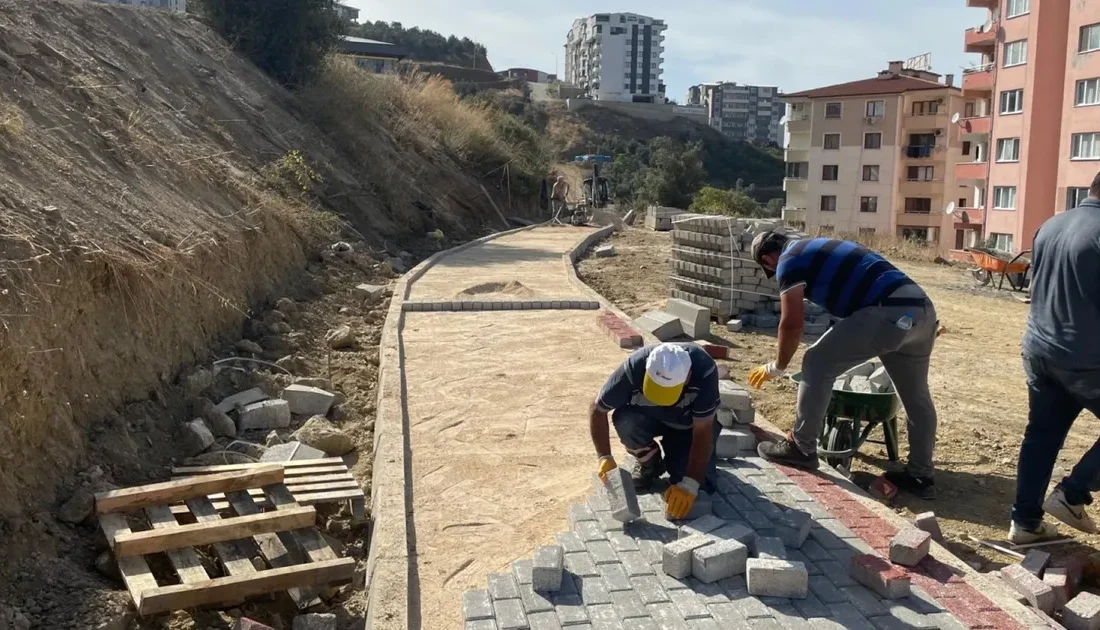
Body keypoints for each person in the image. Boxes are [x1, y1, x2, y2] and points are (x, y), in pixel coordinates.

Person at [747, 231, 941, 499]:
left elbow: (792, 324)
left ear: (768, 259)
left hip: (889, 312)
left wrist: (777, 366)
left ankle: (802, 448)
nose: (774, 272)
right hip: (923, 313)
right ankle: (921, 476)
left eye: (769, 268)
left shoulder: (788, 261)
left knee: (816, 362)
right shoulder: (818, 247)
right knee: (916, 398)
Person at [1010, 171, 1100, 543]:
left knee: (1042, 435)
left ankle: (1024, 523)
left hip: (1041, 351)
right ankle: (1073, 493)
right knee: (1043, 434)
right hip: (1085, 359)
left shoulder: (1051, 225)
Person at [590, 343, 722, 519]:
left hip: (688, 429)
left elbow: (703, 432)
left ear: (687, 377)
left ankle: (677, 454)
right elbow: (597, 409)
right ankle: (650, 464)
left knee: (700, 487)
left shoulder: (704, 371)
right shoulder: (634, 366)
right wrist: (604, 457)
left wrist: (691, 482)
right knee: (625, 419)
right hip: (649, 419)